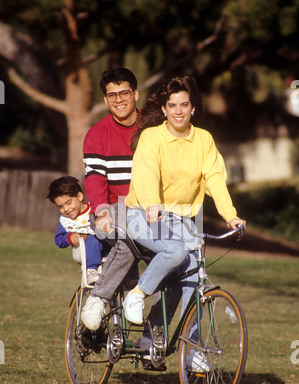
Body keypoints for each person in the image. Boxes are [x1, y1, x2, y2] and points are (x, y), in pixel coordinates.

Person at [124, 75, 246, 328]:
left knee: (194, 276)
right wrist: (151, 203)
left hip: (181, 219)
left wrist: (230, 215)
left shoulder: (203, 140)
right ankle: (137, 295)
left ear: (193, 108)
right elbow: (147, 173)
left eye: (183, 105)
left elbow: (214, 178)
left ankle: (189, 348)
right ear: (164, 110)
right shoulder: (151, 137)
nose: (178, 111)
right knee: (176, 251)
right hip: (143, 214)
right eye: (172, 105)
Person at [80, 68, 140, 330]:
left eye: (124, 92)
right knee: (127, 236)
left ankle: (154, 336)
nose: (118, 99)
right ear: (105, 100)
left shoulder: (152, 129)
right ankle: (98, 298)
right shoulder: (97, 134)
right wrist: (102, 212)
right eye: (112, 95)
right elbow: (94, 179)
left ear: (136, 94)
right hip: (114, 207)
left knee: (174, 259)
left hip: (149, 207)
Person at [47, 176, 104, 290]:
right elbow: (58, 240)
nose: (66, 209)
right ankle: (91, 270)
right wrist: (69, 236)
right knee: (92, 238)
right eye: (61, 207)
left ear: (79, 196)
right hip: (84, 253)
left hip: (105, 249)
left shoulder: (93, 210)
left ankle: (128, 274)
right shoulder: (65, 221)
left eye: (69, 203)